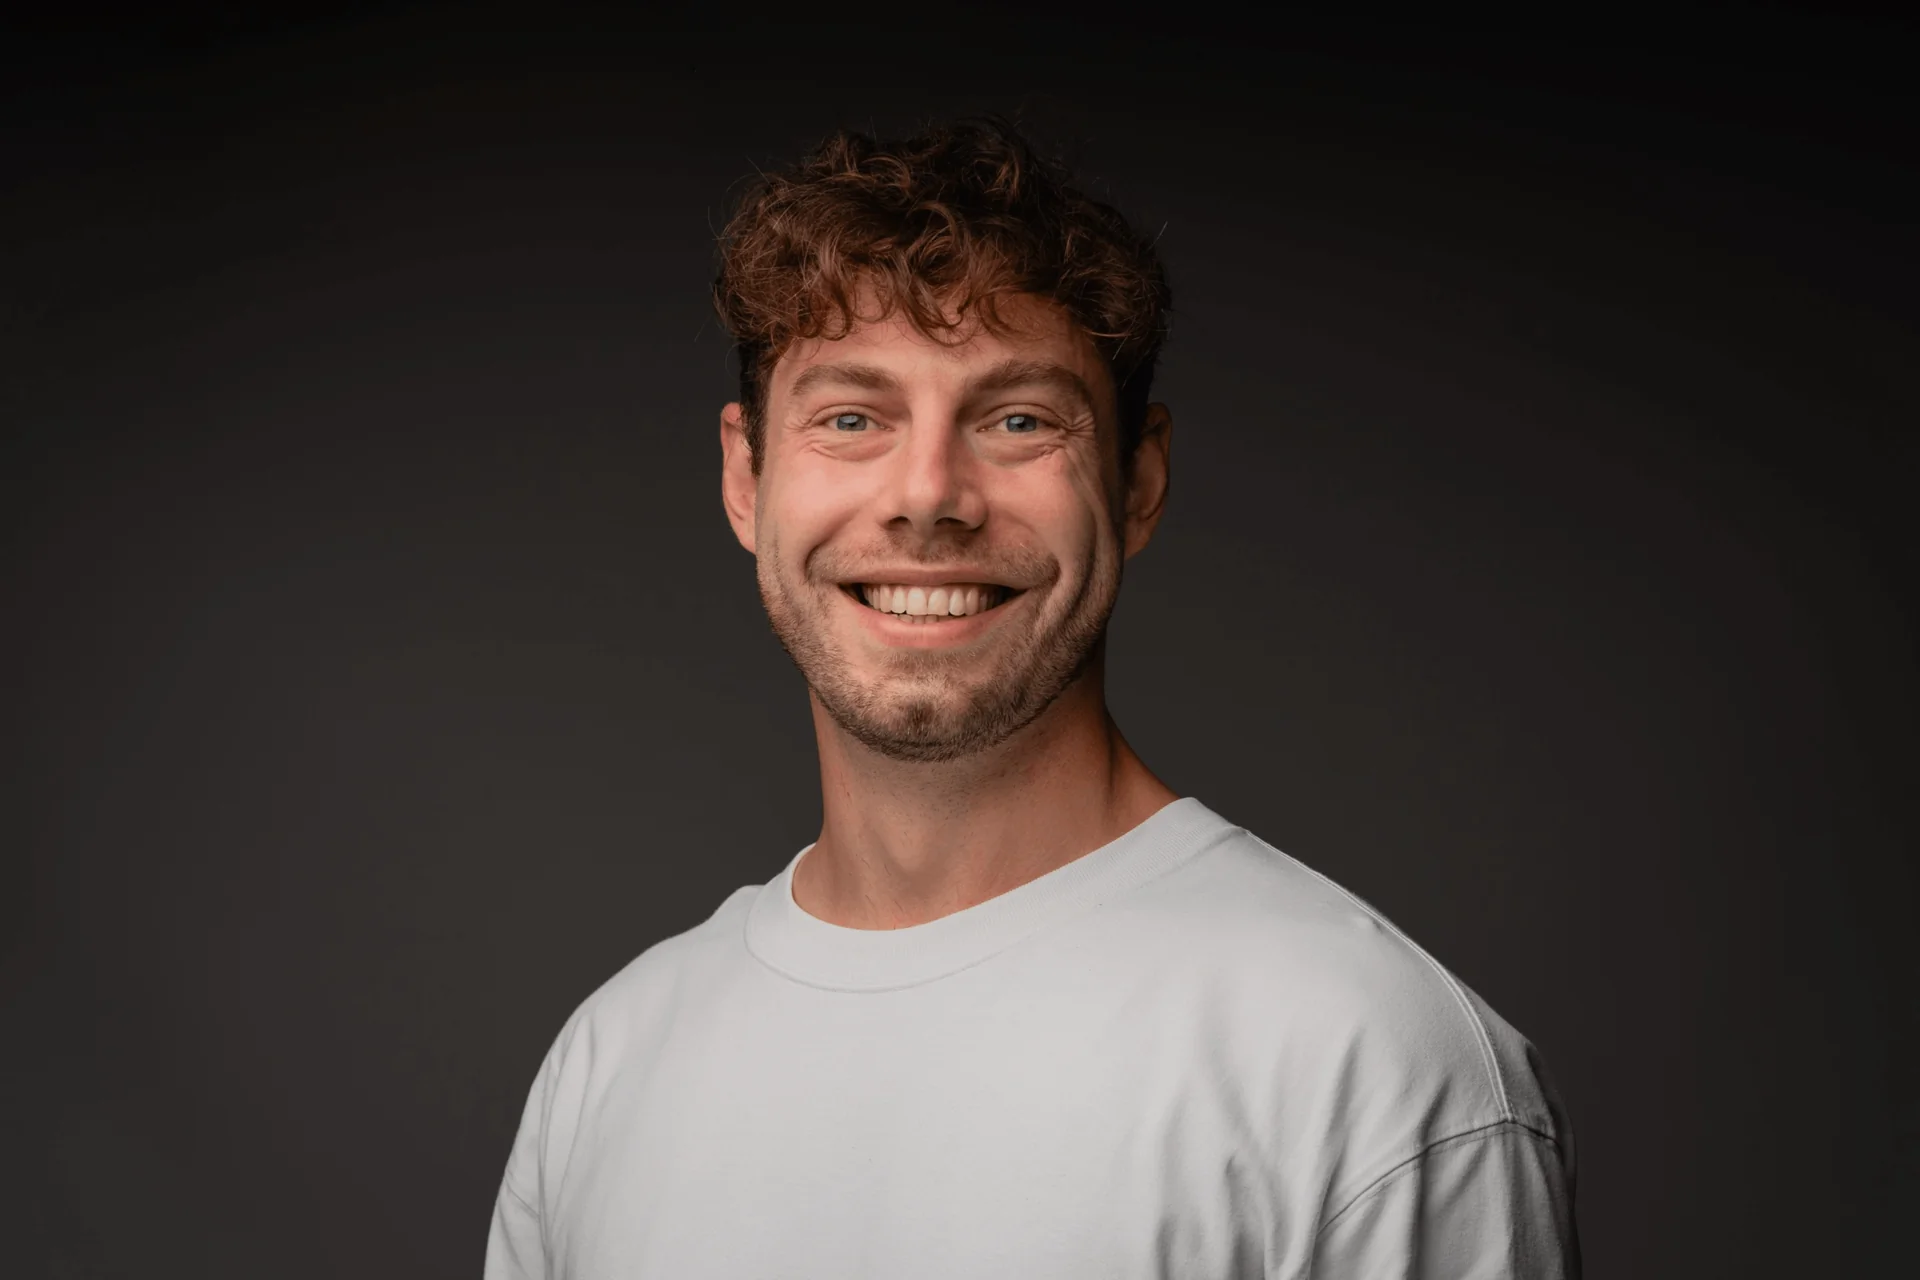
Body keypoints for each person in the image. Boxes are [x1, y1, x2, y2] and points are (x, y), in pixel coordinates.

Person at [483, 117, 1580, 1279]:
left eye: (1018, 419)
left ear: (1138, 481)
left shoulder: (1373, 1066)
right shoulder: (609, 1062)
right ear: (746, 477)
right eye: (851, 417)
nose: (928, 497)